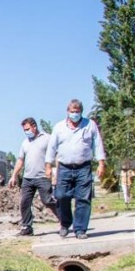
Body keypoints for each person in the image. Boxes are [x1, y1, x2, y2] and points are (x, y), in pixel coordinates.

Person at [45, 99, 106, 239]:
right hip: (64, 167)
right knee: (61, 196)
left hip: (83, 167)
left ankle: (80, 229)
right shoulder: (59, 127)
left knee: (83, 199)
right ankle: (65, 224)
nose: (74, 114)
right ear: (67, 112)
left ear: (81, 112)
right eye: (72, 112)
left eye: (77, 112)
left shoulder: (90, 125)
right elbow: (51, 148)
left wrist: (101, 163)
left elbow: (97, 145)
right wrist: (48, 166)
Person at [8, 117, 59, 235]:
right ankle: (27, 227)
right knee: (24, 202)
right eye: (24, 130)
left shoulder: (47, 138)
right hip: (28, 178)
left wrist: (56, 172)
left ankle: (64, 218)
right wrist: (14, 175)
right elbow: (20, 160)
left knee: (47, 200)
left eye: (27, 129)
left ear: (34, 126)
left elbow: (56, 155)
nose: (26, 132)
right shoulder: (25, 143)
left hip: (42, 177)